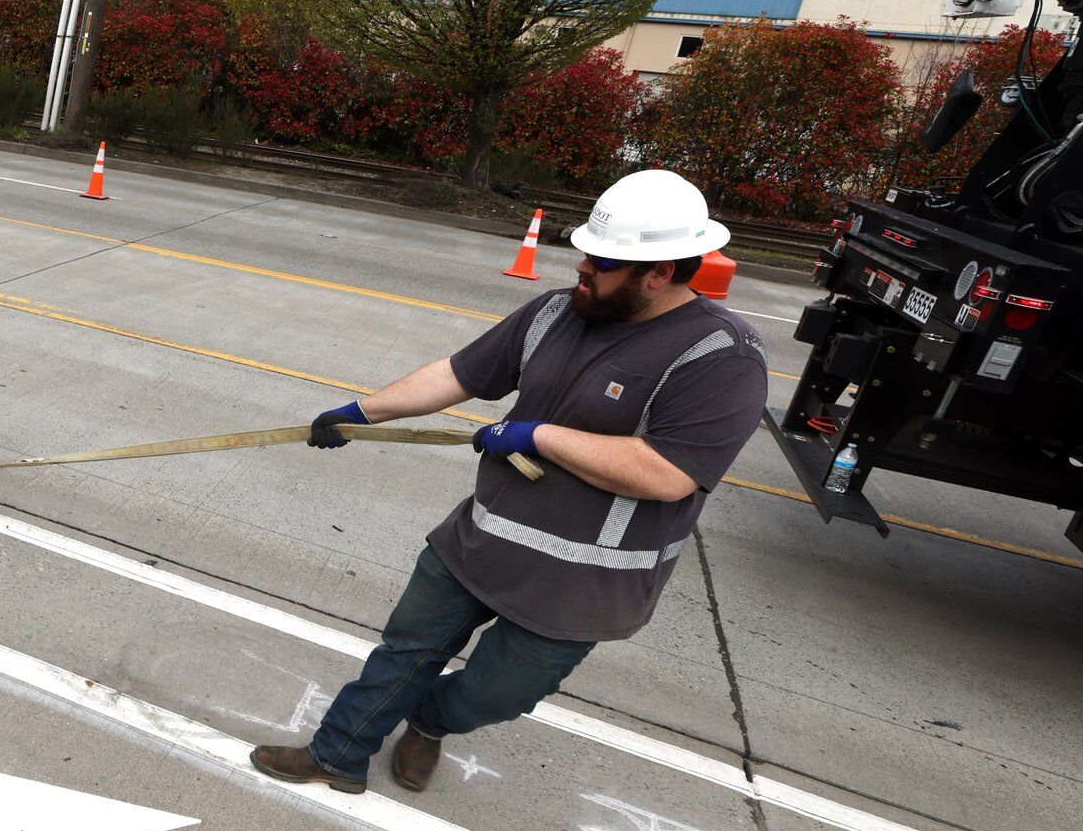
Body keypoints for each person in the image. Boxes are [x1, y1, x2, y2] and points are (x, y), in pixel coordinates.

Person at [251, 169, 767, 795]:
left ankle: (433, 721)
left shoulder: (721, 356)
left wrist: (537, 435)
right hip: (480, 541)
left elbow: (668, 474)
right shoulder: (555, 311)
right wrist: (360, 413)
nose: (582, 266)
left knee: (494, 695)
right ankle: (339, 753)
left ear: (658, 272)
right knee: (403, 653)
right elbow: (458, 374)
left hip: (581, 583)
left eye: (602, 261)